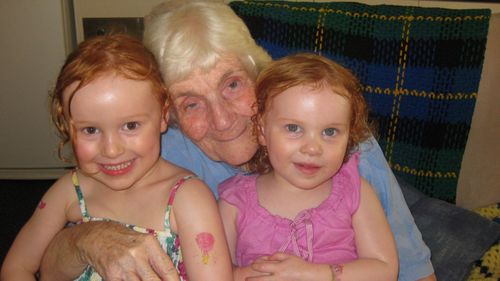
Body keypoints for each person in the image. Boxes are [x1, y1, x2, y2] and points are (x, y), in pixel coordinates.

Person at [40, 1, 436, 281]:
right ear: (168, 116)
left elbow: (414, 271)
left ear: (259, 73)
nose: (223, 119)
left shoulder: (341, 142)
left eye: (232, 84)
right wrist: (89, 239)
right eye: (191, 102)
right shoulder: (162, 151)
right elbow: (50, 261)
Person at [0, 34, 232, 281]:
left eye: (131, 126)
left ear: (164, 116)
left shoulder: (188, 198)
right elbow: (16, 268)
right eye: (90, 130)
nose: (111, 150)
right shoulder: (69, 191)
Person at [218, 53, 398, 281]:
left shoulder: (355, 192)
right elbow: (211, 272)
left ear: (349, 137)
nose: (313, 148)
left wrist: (315, 274)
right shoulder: (234, 202)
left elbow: (385, 269)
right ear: (262, 130)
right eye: (294, 128)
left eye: (330, 132)